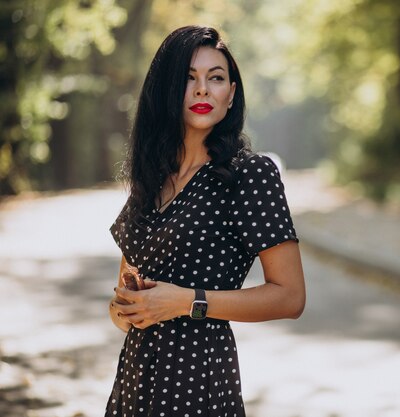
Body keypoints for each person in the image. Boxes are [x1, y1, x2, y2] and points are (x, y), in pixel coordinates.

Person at [106, 26, 305, 416]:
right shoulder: (152, 176)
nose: (202, 89)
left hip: (197, 384)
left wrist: (186, 301)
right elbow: (121, 300)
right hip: (134, 382)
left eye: (216, 78)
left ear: (231, 93)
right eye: (188, 78)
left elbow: (291, 296)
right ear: (166, 90)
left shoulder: (250, 174)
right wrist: (125, 309)